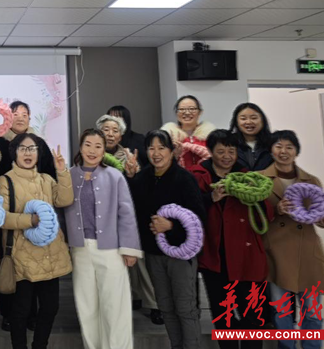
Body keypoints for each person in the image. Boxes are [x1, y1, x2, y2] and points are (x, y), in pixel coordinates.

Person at [190, 130, 271, 349]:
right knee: (223, 314)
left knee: (252, 314)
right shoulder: (198, 176)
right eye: (221, 151)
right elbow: (188, 210)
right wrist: (211, 198)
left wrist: (254, 195)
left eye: (231, 151)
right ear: (210, 151)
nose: (227, 156)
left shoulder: (248, 177)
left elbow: (265, 214)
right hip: (215, 257)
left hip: (246, 256)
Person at [128, 130, 206, 349]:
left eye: (161, 148)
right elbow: (132, 210)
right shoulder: (142, 178)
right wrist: (130, 178)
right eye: (151, 148)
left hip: (181, 254)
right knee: (166, 307)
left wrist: (171, 226)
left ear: (172, 151)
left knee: (185, 308)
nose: (156, 153)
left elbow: (199, 217)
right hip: (154, 254)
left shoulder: (184, 179)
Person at [65, 129, 142, 349]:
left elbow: (126, 213)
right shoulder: (69, 175)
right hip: (80, 250)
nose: (92, 150)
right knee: (87, 307)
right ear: (80, 147)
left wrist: (129, 249)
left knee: (114, 306)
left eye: (98, 146)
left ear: (104, 150)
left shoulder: (114, 176)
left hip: (111, 249)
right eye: (88, 145)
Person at [0, 132, 72, 349]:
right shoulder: (5, 180)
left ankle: (40, 345)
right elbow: (1, 218)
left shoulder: (47, 179)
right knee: (20, 311)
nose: (28, 153)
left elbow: (65, 199)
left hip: (50, 254)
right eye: (23, 149)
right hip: (22, 255)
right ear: (14, 153)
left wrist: (62, 171)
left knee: (50, 308)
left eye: (32, 149)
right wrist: (30, 220)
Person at [261, 130, 324, 349]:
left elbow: (321, 214)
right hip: (277, 252)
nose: (284, 151)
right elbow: (254, 216)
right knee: (281, 312)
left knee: (312, 312)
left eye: (289, 147)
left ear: (296, 151)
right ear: (271, 150)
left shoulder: (311, 180)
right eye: (279, 146)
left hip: (307, 252)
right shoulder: (261, 180)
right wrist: (276, 210)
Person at [96, 113, 161, 324]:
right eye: (106, 130)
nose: (110, 134)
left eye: (115, 131)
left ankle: (153, 304)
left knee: (136, 259)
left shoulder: (128, 156)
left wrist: (133, 174)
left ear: (121, 136)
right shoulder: (91, 153)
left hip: (127, 214)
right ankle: (131, 297)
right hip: (101, 216)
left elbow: (139, 189)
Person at [0, 101, 56, 180]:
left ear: (29, 119)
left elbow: (50, 171)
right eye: (15, 115)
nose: (20, 119)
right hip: (6, 187)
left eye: (24, 115)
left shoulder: (39, 143)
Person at [161, 95, 215, 171]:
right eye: (182, 109)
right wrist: (174, 156)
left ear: (200, 112)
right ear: (176, 113)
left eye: (192, 109)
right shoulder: (168, 136)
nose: (187, 112)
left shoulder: (211, 135)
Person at [229, 102, 274, 172]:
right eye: (243, 119)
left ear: (262, 120)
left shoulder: (273, 142)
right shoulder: (229, 142)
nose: (249, 122)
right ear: (236, 122)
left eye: (254, 118)